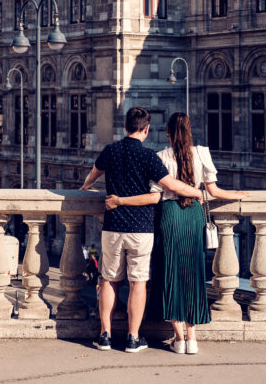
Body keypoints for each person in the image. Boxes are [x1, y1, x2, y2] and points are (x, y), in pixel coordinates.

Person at [106, 112, 248, 355]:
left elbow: (156, 193)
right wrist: (236, 195)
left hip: (169, 214)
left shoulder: (160, 156)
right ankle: (192, 338)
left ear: (168, 133)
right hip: (193, 215)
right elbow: (212, 190)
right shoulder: (202, 153)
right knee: (193, 272)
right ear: (190, 131)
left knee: (169, 272)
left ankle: (179, 337)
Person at [80, 106, 201, 353]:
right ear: (146, 129)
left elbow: (92, 175)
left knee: (109, 281)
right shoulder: (149, 157)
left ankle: (105, 336)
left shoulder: (110, 151)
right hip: (141, 230)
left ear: (125, 127)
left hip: (113, 226)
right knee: (138, 283)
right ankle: (133, 339)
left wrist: (86, 187)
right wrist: (197, 192)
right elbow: (169, 186)